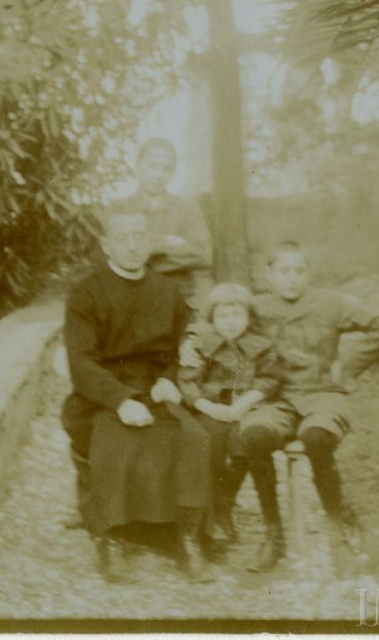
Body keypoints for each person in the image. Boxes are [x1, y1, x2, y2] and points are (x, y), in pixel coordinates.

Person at [60, 202, 214, 583]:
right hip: (103, 391)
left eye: (139, 237)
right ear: (106, 244)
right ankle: (110, 537)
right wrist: (120, 400)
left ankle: (184, 534)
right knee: (117, 437)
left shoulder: (168, 290)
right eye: (122, 238)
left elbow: (180, 348)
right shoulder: (85, 293)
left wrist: (169, 377)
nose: (132, 246)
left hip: (154, 386)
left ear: (151, 242)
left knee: (193, 438)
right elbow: (81, 363)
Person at [238, 241, 379, 572]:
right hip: (276, 398)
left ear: (308, 273)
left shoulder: (330, 303)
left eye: (299, 270)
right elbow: (219, 330)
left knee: (317, 438)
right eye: (284, 271)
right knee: (254, 436)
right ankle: (273, 534)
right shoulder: (255, 308)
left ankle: (336, 527)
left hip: (324, 394)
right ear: (268, 275)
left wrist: (350, 365)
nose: (293, 279)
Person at [177, 283, 287, 547]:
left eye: (237, 315)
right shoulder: (203, 346)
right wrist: (207, 406)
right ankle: (214, 512)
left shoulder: (261, 346)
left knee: (243, 441)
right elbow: (188, 382)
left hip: (245, 407)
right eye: (223, 316)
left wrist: (243, 405)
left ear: (249, 317)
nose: (230, 322)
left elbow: (270, 379)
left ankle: (225, 504)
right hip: (210, 408)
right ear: (212, 319)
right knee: (209, 439)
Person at [116, 138, 213, 309]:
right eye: (152, 166)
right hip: (134, 299)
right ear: (138, 167)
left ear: (173, 173)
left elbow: (202, 253)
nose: (159, 175)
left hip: (180, 298)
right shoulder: (121, 209)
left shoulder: (187, 208)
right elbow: (120, 256)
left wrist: (147, 256)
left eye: (166, 169)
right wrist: (166, 242)